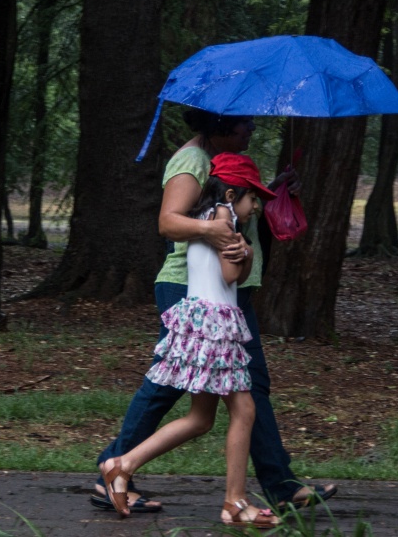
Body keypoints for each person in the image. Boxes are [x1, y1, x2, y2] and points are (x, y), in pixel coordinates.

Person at [92, 110, 337, 513]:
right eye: (245, 124)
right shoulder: (192, 161)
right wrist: (215, 230)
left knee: (249, 387)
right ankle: (115, 469)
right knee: (168, 386)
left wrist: (268, 191)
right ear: (222, 125)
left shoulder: (226, 175)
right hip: (192, 292)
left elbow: (231, 201)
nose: (252, 130)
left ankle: (277, 485)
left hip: (228, 294)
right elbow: (169, 222)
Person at [100, 153, 281, 527]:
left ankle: (122, 464)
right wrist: (246, 251)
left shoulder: (203, 216)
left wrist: (242, 251)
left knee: (200, 419)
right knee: (244, 411)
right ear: (232, 195)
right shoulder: (224, 219)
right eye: (252, 199)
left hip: (203, 320)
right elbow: (232, 275)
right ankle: (234, 503)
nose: (255, 207)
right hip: (216, 325)